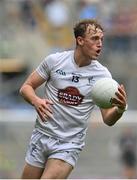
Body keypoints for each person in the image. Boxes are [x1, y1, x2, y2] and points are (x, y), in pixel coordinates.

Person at [20, 19, 128, 179]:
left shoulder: (103, 77)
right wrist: (36, 101)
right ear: (80, 40)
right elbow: (26, 87)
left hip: (68, 144)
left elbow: (108, 119)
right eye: (94, 39)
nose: (100, 44)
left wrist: (119, 109)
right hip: (41, 136)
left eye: (101, 39)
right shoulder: (54, 61)